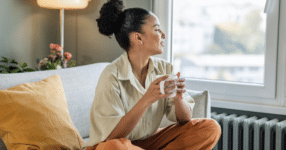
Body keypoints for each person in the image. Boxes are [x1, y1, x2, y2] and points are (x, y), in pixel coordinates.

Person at [85, 0, 221, 149]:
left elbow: (185, 119)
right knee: (114, 147)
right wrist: (147, 99)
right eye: (157, 29)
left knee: (210, 127)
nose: (163, 35)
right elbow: (112, 136)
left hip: (150, 141)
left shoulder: (165, 68)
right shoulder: (111, 75)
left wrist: (178, 97)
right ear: (138, 38)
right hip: (113, 144)